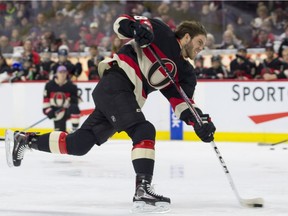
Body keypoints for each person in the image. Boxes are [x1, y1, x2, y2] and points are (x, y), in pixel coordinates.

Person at [10, 14, 216, 212]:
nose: (201, 48)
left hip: (123, 97)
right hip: (116, 83)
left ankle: (26, 140)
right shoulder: (161, 32)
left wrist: (199, 122)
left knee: (79, 144)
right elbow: (121, 23)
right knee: (144, 130)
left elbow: (182, 103)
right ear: (186, 37)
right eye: (199, 42)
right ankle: (142, 190)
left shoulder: (186, 73)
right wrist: (135, 28)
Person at [43, 65, 81, 133]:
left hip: (67, 110)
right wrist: (49, 111)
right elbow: (45, 102)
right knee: (59, 134)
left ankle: (75, 130)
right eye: (60, 72)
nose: (62, 74)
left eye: (64, 72)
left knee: (74, 108)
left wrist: (72, 99)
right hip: (56, 111)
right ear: (56, 73)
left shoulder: (72, 86)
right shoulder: (49, 85)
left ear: (67, 73)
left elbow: (77, 101)